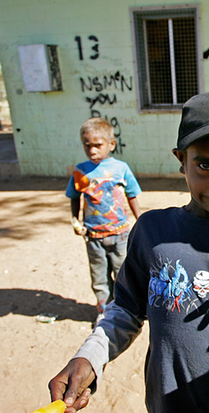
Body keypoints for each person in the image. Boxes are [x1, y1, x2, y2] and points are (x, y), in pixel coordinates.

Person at [49, 89, 209, 413]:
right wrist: (91, 356)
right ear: (181, 159)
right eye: (206, 164)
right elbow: (125, 309)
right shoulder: (152, 232)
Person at [65, 117, 142, 319]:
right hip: (93, 236)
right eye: (87, 145)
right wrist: (75, 219)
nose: (92, 151)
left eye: (98, 145)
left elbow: (131, 194)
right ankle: (104, 312)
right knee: (99, 277)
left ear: (111, 144)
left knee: (123, 274)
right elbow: (75, 197)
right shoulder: (81, 171)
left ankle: (126, 311)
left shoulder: (121, 169)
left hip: (120, 234)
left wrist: (140, 219)